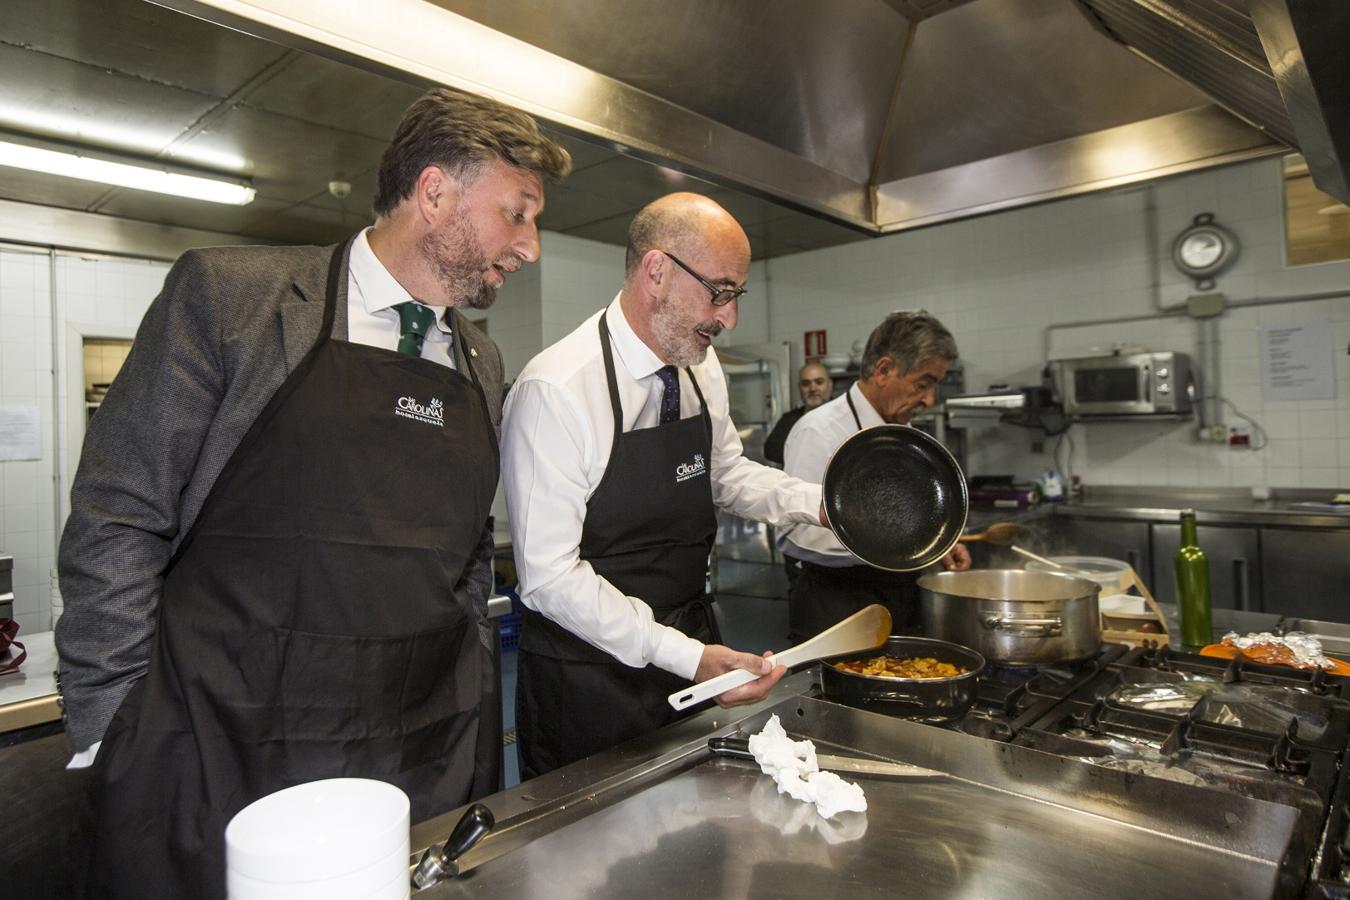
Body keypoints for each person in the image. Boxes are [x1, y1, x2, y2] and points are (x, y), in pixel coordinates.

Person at [54, 87, 571, 899]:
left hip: (417, 751)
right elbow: (118, 515)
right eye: (517, 214)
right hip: (224, 746)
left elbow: (467, 552)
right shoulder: (234, 301)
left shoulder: (482, 361)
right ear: (434, 193)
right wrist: (116, 726)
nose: (531, 246)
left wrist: (471, 715)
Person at [500, 192, 825, 779]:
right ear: (657, 271)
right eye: (719, 292)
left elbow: (725, 476)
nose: (728, 319)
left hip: (693, 645)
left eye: (735, 295)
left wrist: (820, 505)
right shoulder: (557, 390)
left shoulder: (701, 366)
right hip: (587, 681)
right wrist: (687, 656)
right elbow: (548, 577)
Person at [777, 310, 972, 643]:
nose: (929, 399)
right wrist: (895, 545)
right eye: (923, 384)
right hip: (836, 609)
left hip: (902, 605)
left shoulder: (903, 433)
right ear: (884, 370)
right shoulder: (819, 431)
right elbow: (793, 535)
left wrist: (935, 547)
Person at [763, 362, 833, 465]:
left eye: (819, 382)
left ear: (830, 384)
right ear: (799, 388)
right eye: (806, 384)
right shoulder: (788, 419)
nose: (813, 388)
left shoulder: (843, 417)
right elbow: (771, 451)